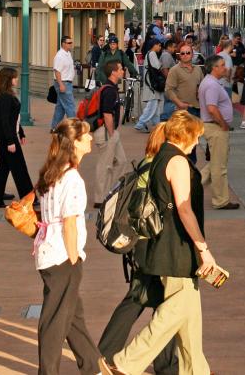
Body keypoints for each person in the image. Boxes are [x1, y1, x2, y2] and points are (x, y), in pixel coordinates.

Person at [106, 111, 214, 375]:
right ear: (186, 134)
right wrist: (203, 248)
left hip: (169, 245)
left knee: (190, 320)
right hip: (175, 247)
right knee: (175, 312)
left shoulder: (162, 156)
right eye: (197, 136)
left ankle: (196, 370)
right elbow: (184, 208)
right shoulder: (177, 161)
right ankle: (126, 362)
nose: (198, 141)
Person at [33, 118, 110, 375]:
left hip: (48, 252)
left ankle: (93, 366)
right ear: (74, 143)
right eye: (85, 136)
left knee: (74, 317)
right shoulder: (73, 178)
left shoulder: (51, 172)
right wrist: (75, 259)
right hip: (63, 257)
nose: (90, 139)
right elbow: (69, 223)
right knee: (56, 321)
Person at [199, 55, 239, 210]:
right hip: (216, 128)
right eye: (222, 65)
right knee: (219, 167)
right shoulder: (211, 85)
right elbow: (211, 108)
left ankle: (190, 189)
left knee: (213, 164)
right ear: (214, 68)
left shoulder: (210, 83)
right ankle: (220, 200)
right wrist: (223, 124)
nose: (225, 68)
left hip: (214, 127)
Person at [0, 67, 31, 208]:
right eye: (14, 77)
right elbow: (5, 121)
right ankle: (28, 197)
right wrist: (11, 141)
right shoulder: (6, 97)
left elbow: (14, 119)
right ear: (8, 79)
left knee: (3, 167)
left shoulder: (6, 95)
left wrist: (21, 133)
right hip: (7, 136)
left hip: (7, 134)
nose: (16, 79)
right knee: (19, 167)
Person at [91, 61, 128, 207]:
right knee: (104, 165)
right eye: (120, 69)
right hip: (106, 132)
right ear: (113, 72)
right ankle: (100, 199)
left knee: (121, 161)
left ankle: (112, 192)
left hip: (111, 132)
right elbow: (107, 113)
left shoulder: (111, 88)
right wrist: (112, 133)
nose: (123, 71)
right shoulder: (109, 90)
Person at [165, 42, 204, 163]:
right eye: (183, 53)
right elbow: (168, 90)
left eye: (188, 53)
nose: (185, 55)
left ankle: (190, 172)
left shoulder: (198, 70)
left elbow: (202, 86)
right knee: (184, 145)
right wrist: (179, 103)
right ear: (179, 55)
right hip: (184, 111)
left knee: (193, 144)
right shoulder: (174, 70)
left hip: (197, 111)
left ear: (192, 54)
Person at [134, 39, 165, 133]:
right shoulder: (152, 54)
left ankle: (157, 126)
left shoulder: (148, 53)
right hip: (152, 85)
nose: (160, 47)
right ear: (154, 45)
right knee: (152, 105)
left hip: (150, 83)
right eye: (159, 45)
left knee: (154, 107)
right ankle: (140, 123)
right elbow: (158, 66)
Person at [52, 35, 77, 131]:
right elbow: (57, 71)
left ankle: (55, 127)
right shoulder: (60, 56)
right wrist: (61, 84)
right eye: (69, 43)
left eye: (71, 42)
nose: (71, 44)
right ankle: (74, 128)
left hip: (67, 82)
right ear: (63, 44)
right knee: (70, 106)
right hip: (63, 83)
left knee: (60, 107)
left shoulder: (68, 53)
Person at [159, 40, 178, 122]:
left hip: (168, 81)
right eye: (174, 47)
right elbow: (165, 69)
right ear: (169, 47)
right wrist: (169, 81)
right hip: (168, 82)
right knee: (170, 100)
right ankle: (165, 118)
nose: (175, 49)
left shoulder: (167, 55)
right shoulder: (166, 55)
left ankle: (165, 117)